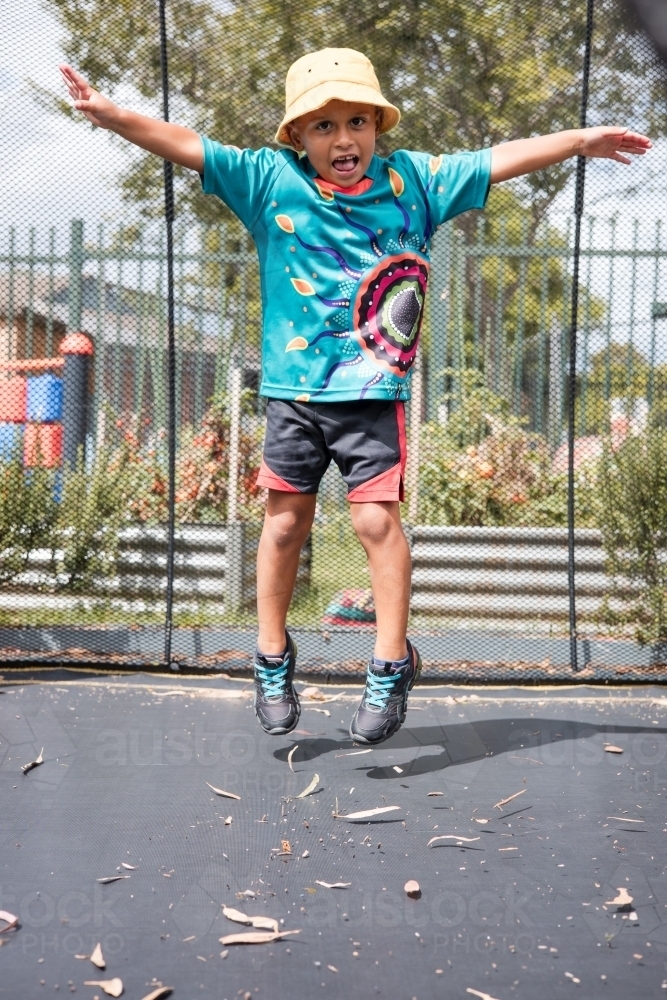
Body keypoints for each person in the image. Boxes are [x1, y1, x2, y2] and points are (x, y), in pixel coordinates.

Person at [60, 48, 650, 745]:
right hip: (293, 394)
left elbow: (498, 157)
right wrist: (109, 115)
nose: (343, 139)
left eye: (357, 122)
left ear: (376, 125)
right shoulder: (267, 181)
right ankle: (272, 656)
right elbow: (188, 145)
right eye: (323, 126)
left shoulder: (414, 183)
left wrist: (580, 141)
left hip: (372, 393)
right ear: (297, 137)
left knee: (375, 525)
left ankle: (389, 660)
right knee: (283, 524)